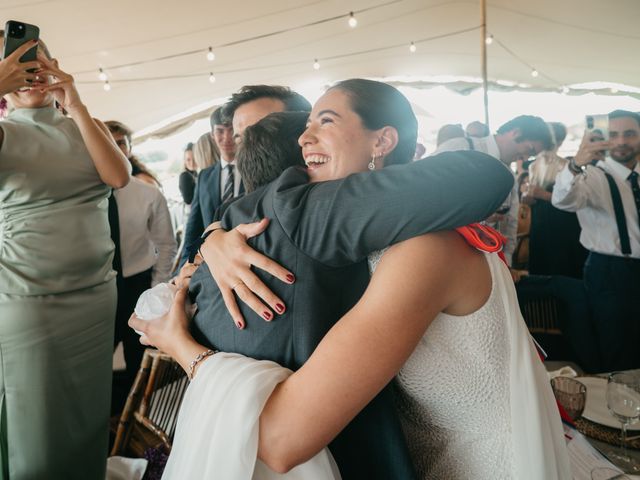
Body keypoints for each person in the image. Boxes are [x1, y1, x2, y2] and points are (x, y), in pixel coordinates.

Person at [133, 79, 569, 479]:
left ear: (382, 140)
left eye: (325, 121)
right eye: (306, 125)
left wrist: (181, 347)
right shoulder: (360, 232)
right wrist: (214, 238)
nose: (303, 138)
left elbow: (283, 440)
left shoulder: (424, 248)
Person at [0, 37, 130, 479]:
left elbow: (117, 176)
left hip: (94, 297)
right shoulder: (4, 131)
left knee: (87, 419)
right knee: (35, 427)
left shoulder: (82, 123)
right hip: (28, 297)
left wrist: (73, 101)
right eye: (15, 67)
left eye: (34, 65)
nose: (27, 77)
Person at [178, 89, 311, 267]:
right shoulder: (224, 208)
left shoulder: (330, 201)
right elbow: (195, 232)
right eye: (241, 138)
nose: (250, 147)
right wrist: (199, 257)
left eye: (261, 132)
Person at [552, 110, 640, 371]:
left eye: (630, 134)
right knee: (618, 348)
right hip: (611, 273)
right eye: (613, 135)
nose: (621, 141)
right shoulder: (590, 175)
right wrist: (576, 164)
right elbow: (563, 200)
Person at [435, 115, 553, 270]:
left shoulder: (509, 175)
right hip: (445, 256)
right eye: (529, 150)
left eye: (531, 156)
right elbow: (427, 201)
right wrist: (475, 217)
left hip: (484, 263)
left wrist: (507, 264)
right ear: (516, 133)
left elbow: (511, 223)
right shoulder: (459, 148)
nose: (524, 159)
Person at [525, 122, 587, 278]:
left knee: (561, 263)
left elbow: (577, 201)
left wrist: (541, 194)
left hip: (562, 221)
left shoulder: (567, 166)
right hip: (541, 221)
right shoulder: (534, 165)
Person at [105, 120, 160, 187]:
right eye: (109, 144)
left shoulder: (144, 183)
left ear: (130, 149)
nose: (116, 149)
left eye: (120, 143)